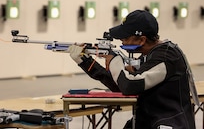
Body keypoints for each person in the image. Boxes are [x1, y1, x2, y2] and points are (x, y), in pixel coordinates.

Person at [67, 10, 196, 129]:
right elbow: (121, 85)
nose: (121, 41)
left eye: (125, 38)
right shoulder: (151, 55)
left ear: (141, 40)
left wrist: (114, 60)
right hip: (151, 121)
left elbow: (130, 85)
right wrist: (85, 61)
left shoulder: (166, 57)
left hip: (169, 124)